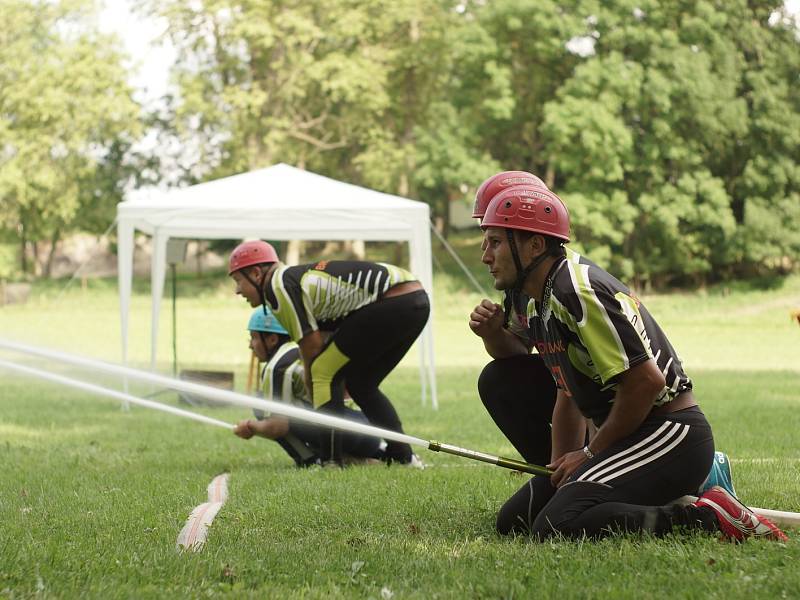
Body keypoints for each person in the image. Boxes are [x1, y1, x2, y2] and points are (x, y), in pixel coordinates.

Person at [476, 183, 786, 542]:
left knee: (553, 528)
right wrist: (563, 469)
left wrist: (589, 453)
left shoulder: (575, 290)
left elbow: (646, 383)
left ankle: (708, 518)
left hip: (670, 435)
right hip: (630, 436)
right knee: (514, 522)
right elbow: (566, 391)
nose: (485, 255)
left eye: (495, 242)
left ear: (534, 245)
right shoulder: (538, 300)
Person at [228, 240, 428, 468]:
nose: (237, 290)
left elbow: (311, 347)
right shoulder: (291, 281)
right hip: (416, 302)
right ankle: (403, 457)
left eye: (238, 281)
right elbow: (321, 337)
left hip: (394, 301)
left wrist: (314, 384)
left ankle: (331, 461)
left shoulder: (279, 286)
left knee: (323, 371)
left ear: (255, 273)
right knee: (361, 384)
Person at [233, 307, 385, 467]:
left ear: (272, 339)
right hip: (368, 430)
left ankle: (312, 460)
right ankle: (366, 457)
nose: (251, 345)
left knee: (262, 403)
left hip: (346, 434)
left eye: (253, 337)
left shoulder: (276, 367)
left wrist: (249, 426)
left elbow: (277, 427)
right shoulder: (301, 349)